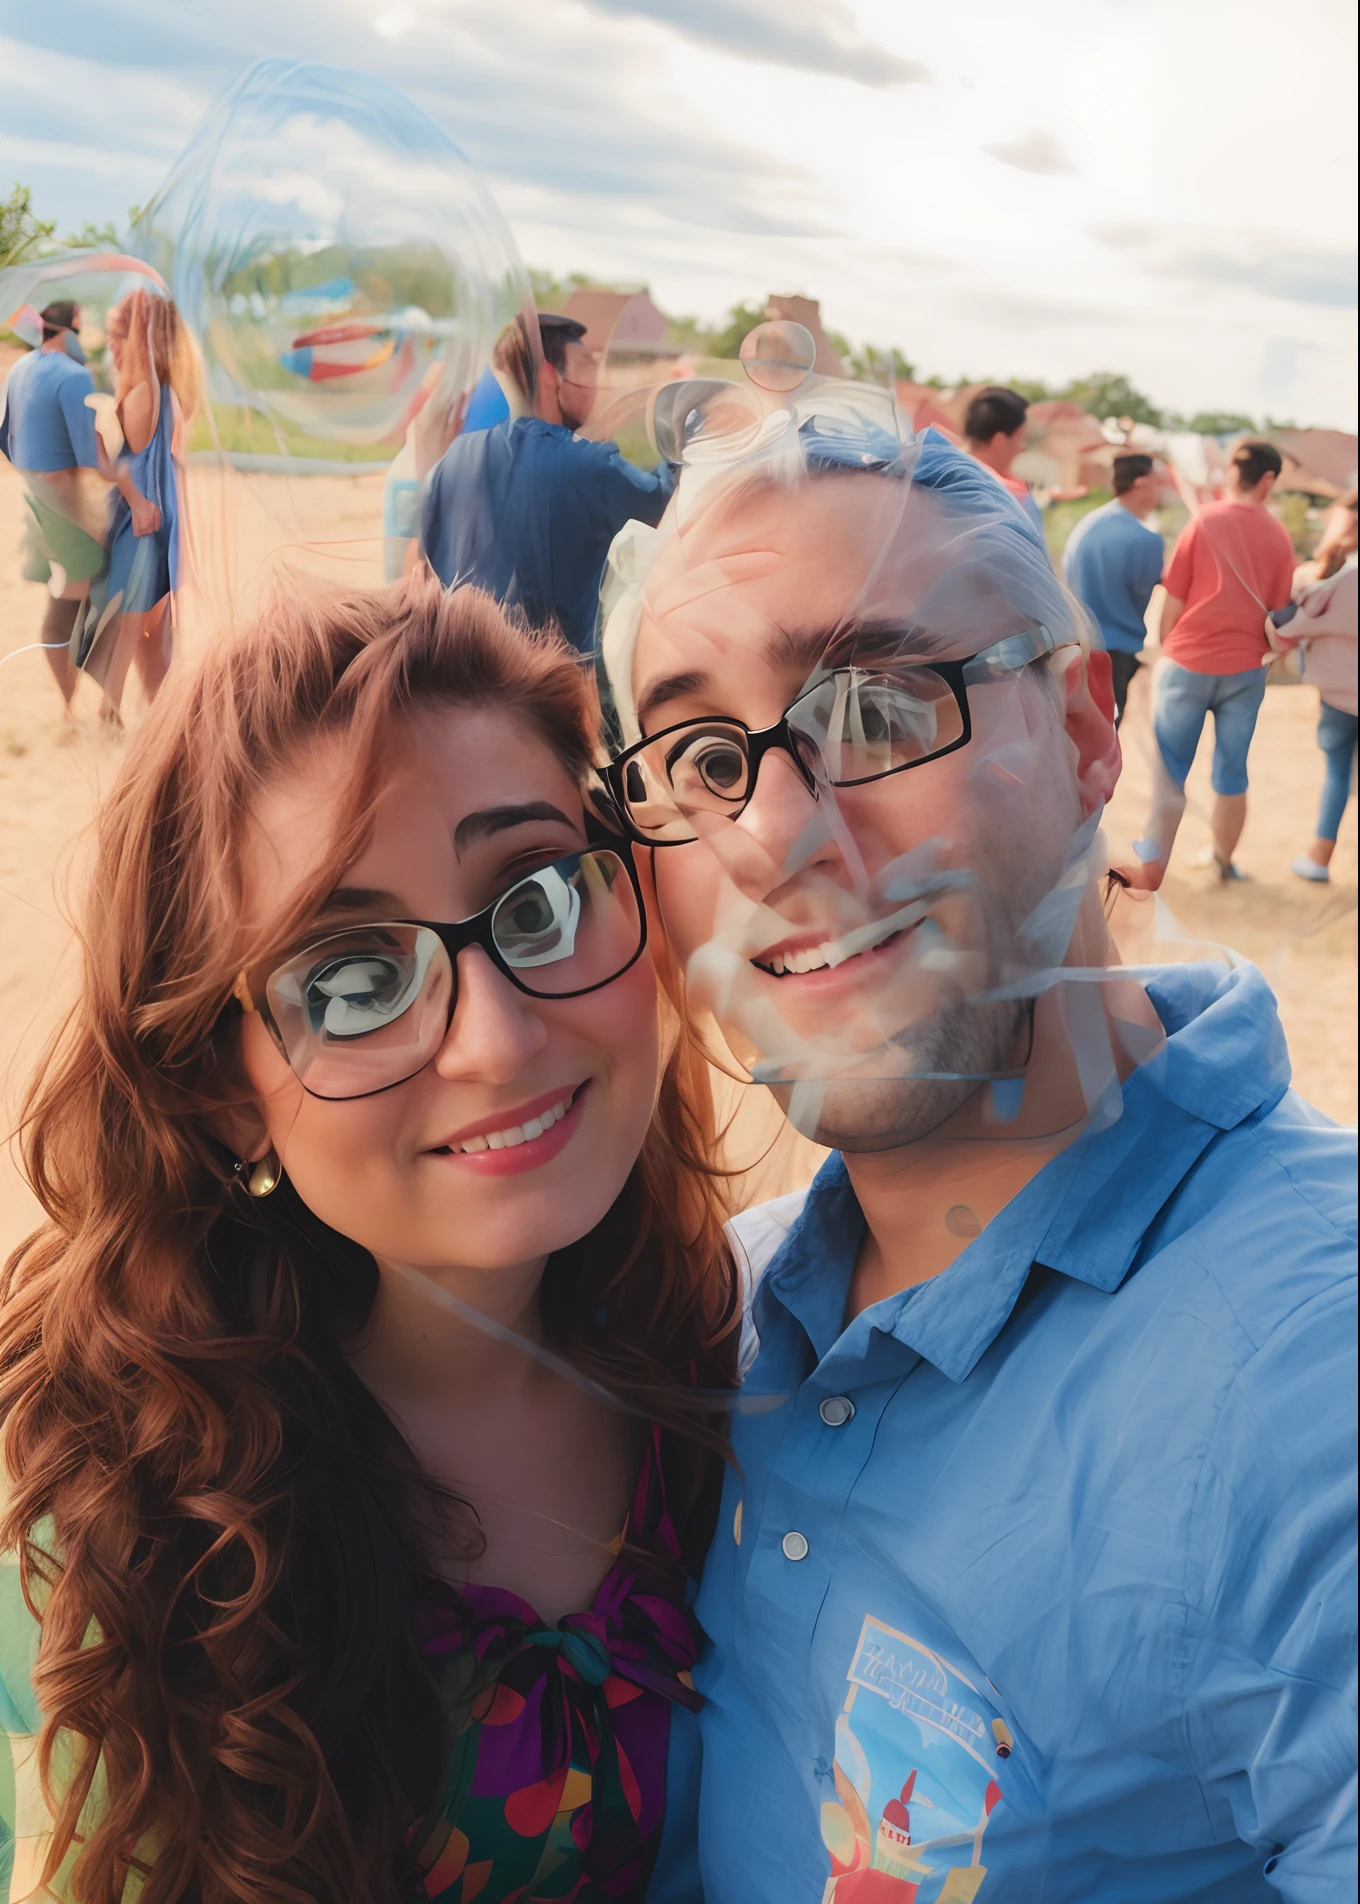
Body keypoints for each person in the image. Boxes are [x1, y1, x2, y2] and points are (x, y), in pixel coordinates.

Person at [599, 377, 1356, 1902]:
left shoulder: (1309, 1390)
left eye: (876, 711)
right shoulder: (731, 1309)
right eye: (700, 763)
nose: (774, 836)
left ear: (1087, 731)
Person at [0, 574, 737, 1899]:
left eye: (541, 898)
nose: (498, 1041)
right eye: (351, 979)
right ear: (223, 1093)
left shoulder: (748, 1359)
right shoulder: (107, 1530)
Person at [420, 311, 674, 655]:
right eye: (586, 365)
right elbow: (662, 503)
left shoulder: (454, 458)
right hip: (557, 684)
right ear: (549, 377)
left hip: (467, 669)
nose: (596, 381)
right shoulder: (587, 464)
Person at [1134, 437, 1295, 885]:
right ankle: (1224, 863)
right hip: (1245, 668)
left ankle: (1153, 867)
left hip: (1187, 662)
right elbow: (1279, 612)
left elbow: (1174, 599)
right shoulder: (1279, 536)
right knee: (1231, 770)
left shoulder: (1202, 522)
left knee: (1170, 771)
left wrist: (1169, 646)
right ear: (1267, 480)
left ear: (1232, 473)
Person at [73, 288, 201, 712]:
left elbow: (125, 466)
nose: (111, 346)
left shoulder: (141, 391)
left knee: (130, 618)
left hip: (140, 517)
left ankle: (110, 710)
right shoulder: (167, 390)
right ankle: (157, 711)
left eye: (117, 337)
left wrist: (94, 437)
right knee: (152, 623)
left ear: (138, 338)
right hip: (161, 514)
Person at [0, 300, 108, 710]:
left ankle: (72, 706)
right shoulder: (75, 375)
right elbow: (88, 458)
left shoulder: (21, 368)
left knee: (63, 602)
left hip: (37, 502)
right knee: (85, 606)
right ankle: (87, 707)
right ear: (68, 331)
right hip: (68, 505)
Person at [1273, 491, 1358, 882]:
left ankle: (1320, 858)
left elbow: (1297, 622)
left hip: (1342, 697)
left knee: (1338, 773)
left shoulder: (1339, 577)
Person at [1060, 452, 1166, 722]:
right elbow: (1151, 588)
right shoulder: (1147, 540)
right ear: (1141, 484)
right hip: (1115, 653)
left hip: (1073, 645)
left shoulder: (1086, 526)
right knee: (1106, 736)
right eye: (1158, 483)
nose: (1161, 492)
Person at [963, 385, 1045, 545]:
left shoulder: (936, 477)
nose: (1022, 449)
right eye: (1021, 440)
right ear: (999, 440)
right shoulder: (1012, 496)